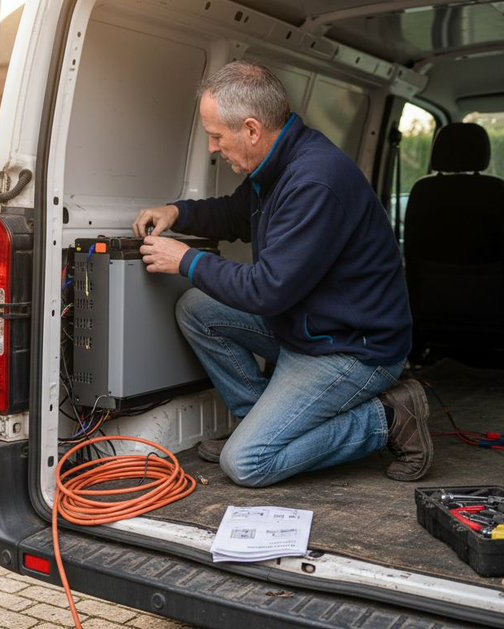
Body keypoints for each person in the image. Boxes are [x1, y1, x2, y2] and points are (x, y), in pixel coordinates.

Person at [132, 61, 432, 487]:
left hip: (350, 348)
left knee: (247, 464)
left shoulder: (315, 180)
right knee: (196, 308)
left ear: (251, 129)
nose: (213, 147)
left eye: (217, 136)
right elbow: (237, 214)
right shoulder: (274, 164)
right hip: (306, 327)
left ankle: (388, 417)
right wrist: (178, 211)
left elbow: (267, 291)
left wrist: (187, 260)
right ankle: (259, 420)